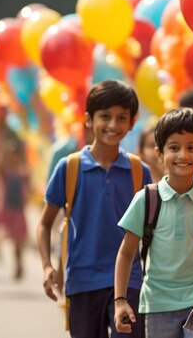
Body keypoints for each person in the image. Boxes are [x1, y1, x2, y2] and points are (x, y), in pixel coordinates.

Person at [37, 79, 152, 338]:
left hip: (129, 283)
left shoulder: (139, 172)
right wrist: (46, 266)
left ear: (132, 123)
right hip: (82, 282)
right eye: (105, 117)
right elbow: (44, 224)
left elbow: (152, 230)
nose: (113, 125)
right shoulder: (69, 168)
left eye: (122, 118)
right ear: (89, 120)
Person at [114, 108, 193, 337]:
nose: (183, 155)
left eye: (192, 147)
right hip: (158, 305)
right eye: (174, 147)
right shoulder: (147, 199)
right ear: (159, 153)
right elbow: (126, 253)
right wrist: (120, 301)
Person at [0, 142, 29, 281]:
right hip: (9, 209)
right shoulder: (6, 172)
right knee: (12, 240)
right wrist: (3, 152)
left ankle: (19, 264)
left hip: (19, 210)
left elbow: (28, 187)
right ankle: (17, 264)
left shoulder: (23, 172)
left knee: (19, 241)